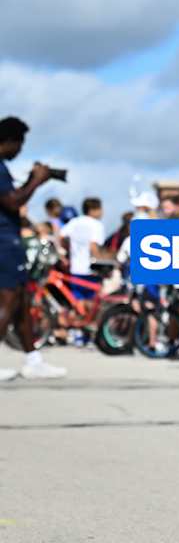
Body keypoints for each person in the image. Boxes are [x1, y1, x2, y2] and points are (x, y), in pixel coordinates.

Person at [0, 116, 65, 380]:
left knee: (23, 302)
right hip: (4, 241)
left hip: (7, 238)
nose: (21, 150)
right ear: (9, 141)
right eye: (20, 143)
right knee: (9, 299)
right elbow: (13, 202)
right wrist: (37, 181)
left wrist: (29, 179)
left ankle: (33, 359)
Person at [60, 197, 108, 303]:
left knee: (77, 302)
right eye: (100, 209)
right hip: (91, 270)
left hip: (75, 268)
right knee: (91, 303)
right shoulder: (97, 225)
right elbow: (93, 246)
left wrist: (65, 253)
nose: (102, 212)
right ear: (92, 210)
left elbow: (61, 237)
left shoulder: (74, 222)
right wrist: (102, 263)